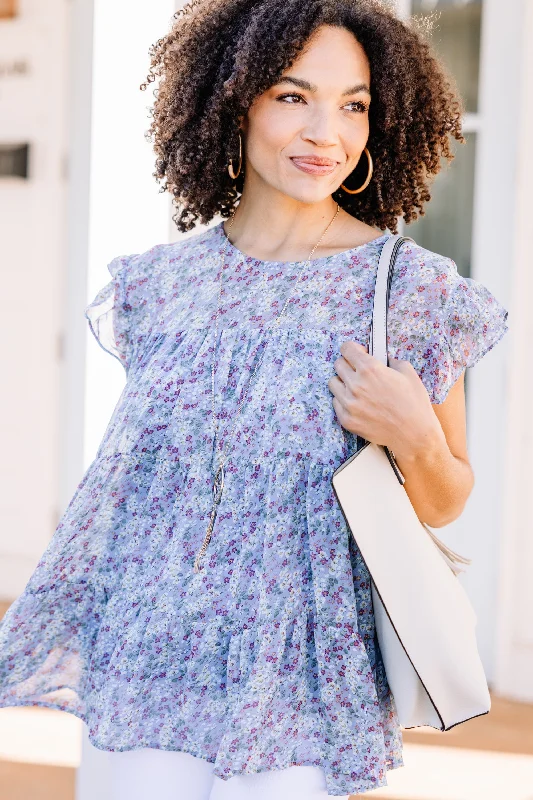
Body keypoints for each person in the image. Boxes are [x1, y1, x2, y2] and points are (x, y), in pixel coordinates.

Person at [0, 1, 509, 798]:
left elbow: (445, 501)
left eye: (353, 106)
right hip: (151, 657)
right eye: (291, 96)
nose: (325, 133)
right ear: (233, 100)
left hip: (299, 673)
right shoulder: (157, 287)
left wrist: (414, 436)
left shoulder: (409, 291)